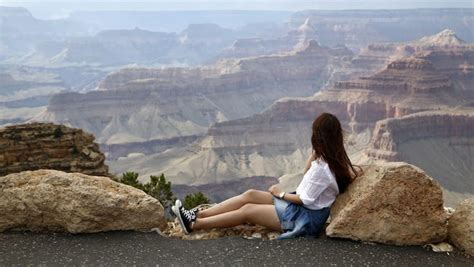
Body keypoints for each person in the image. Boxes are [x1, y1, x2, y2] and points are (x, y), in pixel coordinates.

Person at [172, 112, 360, 239]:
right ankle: (195, 214)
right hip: (299, 208)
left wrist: (279, 193)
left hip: (303, 218)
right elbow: (307, 178)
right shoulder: (333, 158)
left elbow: (305, 199)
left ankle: (194, 225)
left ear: (318, 137)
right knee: (250, 194)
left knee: (247, 210)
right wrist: (313, 155)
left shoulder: (323, 168)